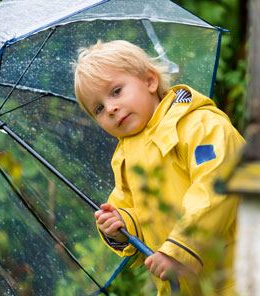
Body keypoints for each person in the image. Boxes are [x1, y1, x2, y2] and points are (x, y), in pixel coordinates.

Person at [73, 40, 245, 295]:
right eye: (98, 108)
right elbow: (141, 215)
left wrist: (178, 250)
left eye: (116, 91)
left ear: (150, 81)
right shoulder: (125, 158)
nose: (110, 108)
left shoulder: (199, 125)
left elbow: (217, 186)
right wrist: (121, 226)